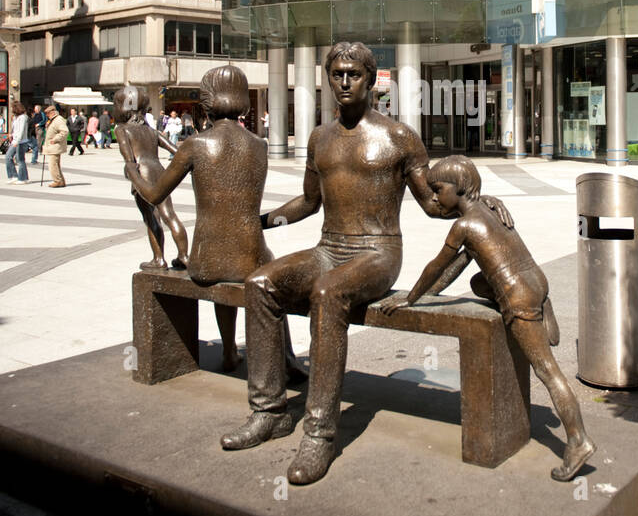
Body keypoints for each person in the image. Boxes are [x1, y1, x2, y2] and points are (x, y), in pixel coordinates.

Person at [223, 40, 513, 485]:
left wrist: (478, 203)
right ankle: (270, 411)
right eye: (335, 73)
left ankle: (319, 433)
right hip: (328, 248)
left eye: (352, 74)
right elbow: (309, 201)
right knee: (261, 282)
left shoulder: (400, 138)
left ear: (371, 78)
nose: (343, 82)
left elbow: (433, 204)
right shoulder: (320, 138)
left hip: (378, 253)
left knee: (328, 292)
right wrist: (262, 220)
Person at [382, 156, 596, 481]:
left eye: (439, 190)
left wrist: (409, 299)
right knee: (479, 283)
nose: (435, 197)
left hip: (519, 296)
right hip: (536, 281)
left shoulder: (464, 226)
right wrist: (426, 297)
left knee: (547, 370)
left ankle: (578, 441)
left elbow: (436, 267)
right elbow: (458, 267)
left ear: (461, 188)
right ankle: (544, 312)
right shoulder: (491, 210)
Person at [123, 66, 293, 374]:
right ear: (244, 101)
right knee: (265, 269)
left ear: (206, 102)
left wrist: (133, 170)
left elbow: (155, 194)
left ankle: (229, 350)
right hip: (251, 256)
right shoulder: (260, 145)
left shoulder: (196, 145)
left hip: (206, 261)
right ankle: (281, 359)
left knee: (222, 267)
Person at [113, 86, 190, 271]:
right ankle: (184, 255)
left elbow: (128, 157)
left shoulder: (122, 129)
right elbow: (177, 151)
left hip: (142, 173)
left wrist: (132, 174)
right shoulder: (151, 131)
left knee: (150, 217)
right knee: (170, 215)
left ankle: (158, 259)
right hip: (160, 171)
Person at [43, 102, 69, 187]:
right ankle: (61, 181)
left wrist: (55, 139)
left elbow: (64, 131)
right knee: (55, 164)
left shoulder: (58, 119)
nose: (47, 115)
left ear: (53, 112)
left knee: (52, 164)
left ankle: (57, 181)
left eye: (48, 113)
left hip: (55, 145)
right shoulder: (52, 120)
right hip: (52, 146)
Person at [5, 101, 31, 183]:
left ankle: (22, 178)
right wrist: (11, 134)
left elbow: (21, 130)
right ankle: (14, 176)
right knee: (8, 157)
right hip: (15, 140)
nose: (12, 109)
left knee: (20, 159)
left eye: (12, 107)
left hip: (21, 141)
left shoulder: (23, 117)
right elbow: (15, 129)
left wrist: (17, 140)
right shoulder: (16, 117)